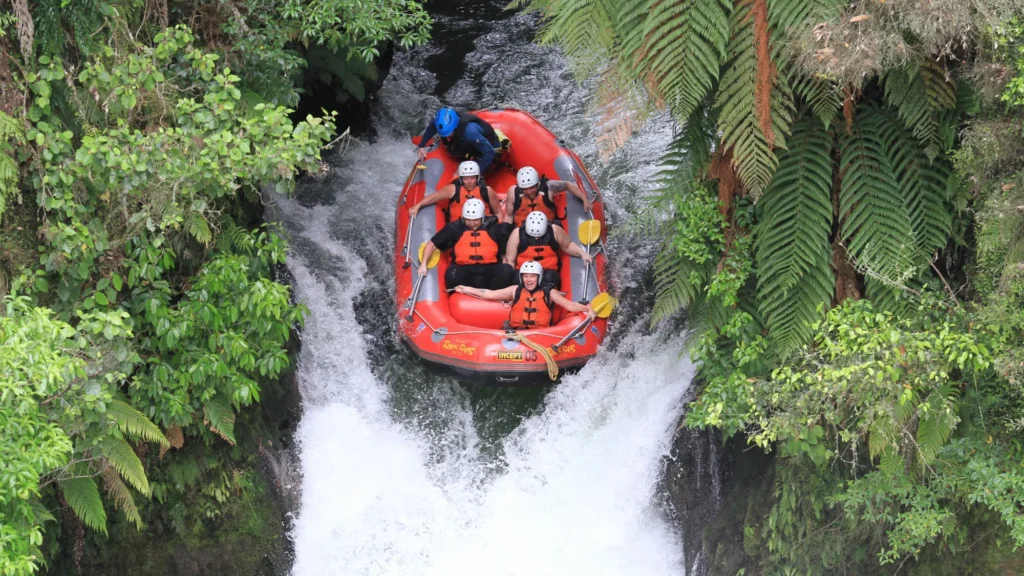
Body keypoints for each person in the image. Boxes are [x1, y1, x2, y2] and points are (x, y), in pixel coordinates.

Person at [454, 261, 596, 329]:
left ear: (539, 277)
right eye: (526, 276)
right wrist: (466, 289)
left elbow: (570, 305)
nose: (528, 280)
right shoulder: (515, 290)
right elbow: (489, 294)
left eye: (532, 277)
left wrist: (588, 309)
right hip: (515, 332)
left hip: (539, 334)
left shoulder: (549, 292)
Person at [419, 198, 516, 290]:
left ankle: (494, 295)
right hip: (465, 271)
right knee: (451, 273)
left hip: (489, 271)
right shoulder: (454, 228)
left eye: (475, 220)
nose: (471, 223)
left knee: (507, 270)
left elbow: (506, 248)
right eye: (468, 220)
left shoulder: (495, 228)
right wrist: (423, 264)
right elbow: (431, 244)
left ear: (482, 217)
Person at [504, 211, 592, 289]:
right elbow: (510, 261)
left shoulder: (555, 230)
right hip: (525, 273)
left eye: (539, 236)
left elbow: (568, 246)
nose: (536, 238)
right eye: (533, 236)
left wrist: (582, 253)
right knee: (517, 281)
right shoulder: (517, 233)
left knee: (550, 279)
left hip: (548, 271)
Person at [409, 160, 503, 224]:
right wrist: (418, 206)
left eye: (472, 178)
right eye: (466, 178)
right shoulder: (452, 189)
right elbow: (434, 197)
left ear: (478, 178)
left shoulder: (487, 191)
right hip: (458, 228)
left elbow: (498, 212)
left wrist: (499, 231)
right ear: (461, 178)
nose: (469, 182)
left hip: (482, 227)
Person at [417, 107, 502, 173]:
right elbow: (432, 127)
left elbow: (490, 152)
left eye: (448, 135)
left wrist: (476, 173)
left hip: (490, 147)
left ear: (454, 127)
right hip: (470, 142)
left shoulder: (470, 132)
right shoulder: (443, 122)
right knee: (454, 151)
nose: (447, 138)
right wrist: (421, 145)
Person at [504, 166, 593, 227]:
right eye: (525, 189)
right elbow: (508, 216)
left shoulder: (549, 187)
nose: (529, 192)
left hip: (547, 229)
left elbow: (569, 185)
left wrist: (585, 200)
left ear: (537, 184)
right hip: (522, 231)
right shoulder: (513, 192)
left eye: (531, 188)